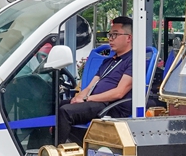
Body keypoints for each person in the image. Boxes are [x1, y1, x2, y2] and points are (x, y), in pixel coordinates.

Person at [57, 16, 133, 144]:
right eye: (110, 35)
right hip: (95, 102)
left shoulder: (133, 60)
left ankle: (55, 153)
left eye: (115, 35)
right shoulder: (109, 61)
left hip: (111, 106)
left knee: (66, 112)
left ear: (128, 38)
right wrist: (79, 97)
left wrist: (87, 99)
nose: (110, 39)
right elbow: (90, 86)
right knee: (57, 105)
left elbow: (119, 92)